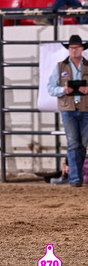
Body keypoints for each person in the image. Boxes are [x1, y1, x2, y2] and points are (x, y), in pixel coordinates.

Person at [47, 35, 88, 188]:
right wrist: (62, 90)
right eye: (71, 48)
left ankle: (75, 176)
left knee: (82, 144)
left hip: (85, 108)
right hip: (68, 109)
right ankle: (75, 178)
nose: (74, 50)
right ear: (68, 49)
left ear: (82, 49)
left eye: (76, 47)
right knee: (73, 143)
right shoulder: (60, 66)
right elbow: (50, 88)